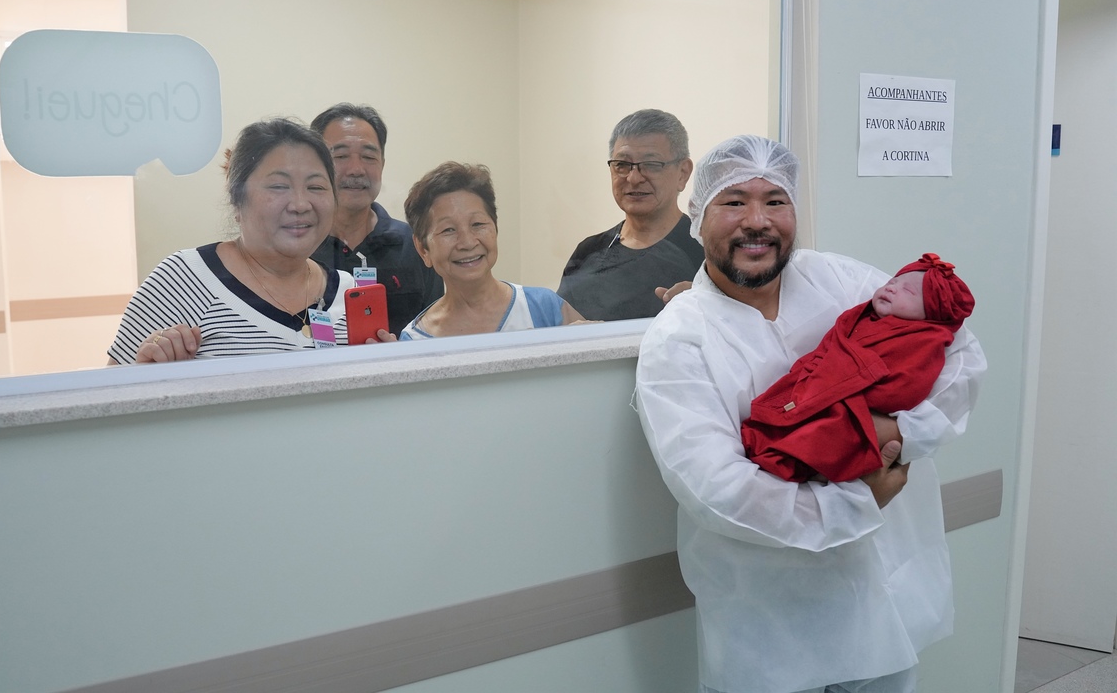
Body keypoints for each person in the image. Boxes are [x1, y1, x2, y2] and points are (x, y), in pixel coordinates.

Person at [635, 135, 986, 693]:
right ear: (698, 216)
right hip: (775, 620)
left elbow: (958, 351)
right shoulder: (680, 339)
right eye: (734, 201)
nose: (758, 221)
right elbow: (716, 489)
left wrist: (900, 432)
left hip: (885, 598)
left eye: (775, 201)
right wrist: (857, 500)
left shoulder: (843, 282)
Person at [108, 118, 393, 364]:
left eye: (316, 187)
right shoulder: (183, 278)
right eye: (279, 186)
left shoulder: (351, 292)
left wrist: (388, 369)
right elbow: (111, 396)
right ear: (237, 199)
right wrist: (148, 372)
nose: (300, 204)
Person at [742, 253, 975, 483]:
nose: (892, 288)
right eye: (893, 282)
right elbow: (833, 345)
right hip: (827, 384)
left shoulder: (924, 341)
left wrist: (860, 391)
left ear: (931, 313)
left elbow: (907, 385)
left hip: (857, 401)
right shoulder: (864, 317)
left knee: (825, 435)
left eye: (908, 291)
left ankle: (803, 465)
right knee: (788, 412)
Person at [399, 162, 584, 339]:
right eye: (448, 230)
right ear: (423, 249)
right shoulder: (415, 340)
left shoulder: (545, 308)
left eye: (478, 224)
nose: (467, 243)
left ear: (495, 228)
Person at [556, 109, 706, 320]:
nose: (634, 178)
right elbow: (559, 330)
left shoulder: (709, 253)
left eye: (651, 165)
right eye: (622, 165)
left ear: (683, 173)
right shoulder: (588, 253)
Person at [310, 103, 442, 335]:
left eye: (369, 156)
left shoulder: (415, 245)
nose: (356, 169)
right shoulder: (297, 246)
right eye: (340, 156)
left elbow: (435, 332)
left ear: (382, 163)